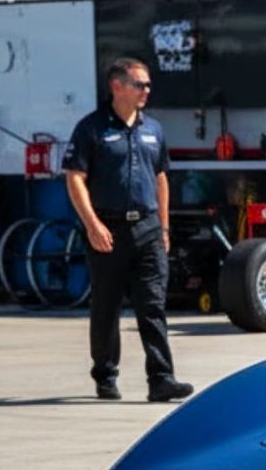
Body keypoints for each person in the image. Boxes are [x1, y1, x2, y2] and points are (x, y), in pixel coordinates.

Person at [62, 57, 193, 401]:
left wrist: (164, 228)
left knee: (152, 304)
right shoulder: (91, 129)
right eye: (139, 84)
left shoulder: (153, 130)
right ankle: (106, 375)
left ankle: (161, 378)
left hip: (148, 228)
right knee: (106, 307)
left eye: (148, 84)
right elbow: (75, 177)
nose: (146, 90)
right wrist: (92, 225)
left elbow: (161, 178)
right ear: (117, 87)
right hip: (108, 229)